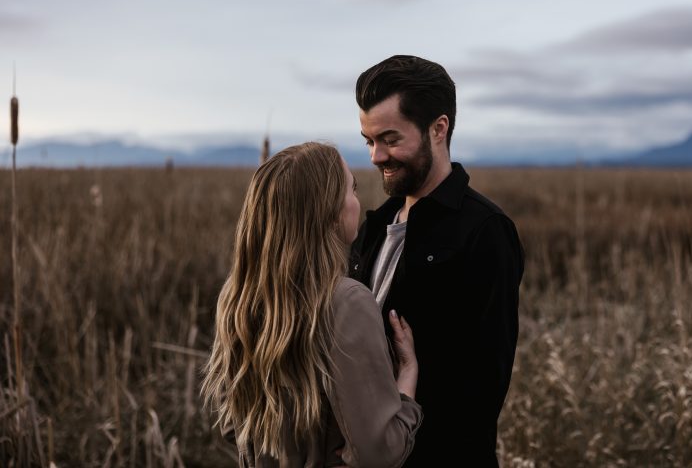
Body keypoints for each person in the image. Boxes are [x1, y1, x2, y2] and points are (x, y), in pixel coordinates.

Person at [350, 55, 524, 467]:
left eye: (390, 139)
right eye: (369, 141)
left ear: (438, 129)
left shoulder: (484, 230)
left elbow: (483, 388)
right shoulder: (374, 226)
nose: (376, 156)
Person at [202, 142, 423, 467]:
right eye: (352, 189)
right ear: (330, 211)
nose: (356, 202)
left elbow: (232, 423)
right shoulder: (347, 302)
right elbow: (381, 452)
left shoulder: (238, 298)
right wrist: (407, 375)